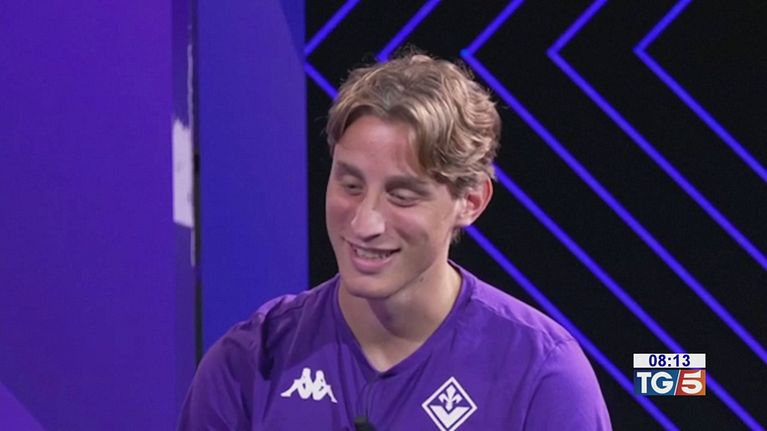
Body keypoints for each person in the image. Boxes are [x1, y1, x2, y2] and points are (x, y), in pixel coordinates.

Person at [178, 53, 612, 430]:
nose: (365, 222)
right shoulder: (248, 364)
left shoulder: (541, 375)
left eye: (402, 196)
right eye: (350, 185)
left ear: (471, 201)